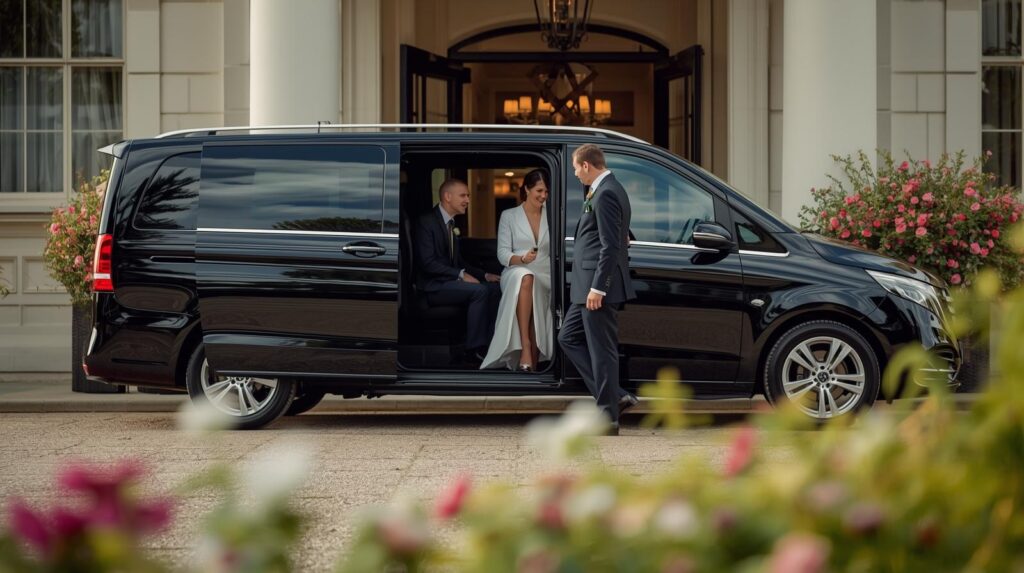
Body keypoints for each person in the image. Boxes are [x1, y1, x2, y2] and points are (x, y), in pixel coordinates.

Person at [558, 144, 638, 436]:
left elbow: (610, 246)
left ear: (587, 166)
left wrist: (598, 288)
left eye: (576, 168)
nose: (576, 174)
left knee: (602, 353)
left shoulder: (606, 192)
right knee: (567, 338)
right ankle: (616, 396)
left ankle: (608, 418)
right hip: (585, 286)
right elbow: (616, 234)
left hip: (595, 288)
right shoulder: (605, 190)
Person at [414, 178, 500, 365]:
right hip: (432, 287)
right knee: (480, 291)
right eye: (463, 195)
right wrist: (459, 275)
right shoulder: (426, 222)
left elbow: (459, 261)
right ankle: (473, 350)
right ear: (447, 197)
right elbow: (427, 263)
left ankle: (490, 344)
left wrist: (484, 275)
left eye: (468, 195)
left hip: (447, 283)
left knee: (493, 288)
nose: (468, 200)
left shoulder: (451, 224)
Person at [480, 169, 552, 372]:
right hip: (515, 269)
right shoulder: (509, 216)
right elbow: (502, 254)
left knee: (535, 286)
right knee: (525, 276)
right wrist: (521, 259)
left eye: (546, 191)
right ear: (527, 189)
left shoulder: (553, 214)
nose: (543, 196)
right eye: (539, 190)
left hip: (545, 273)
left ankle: (532, 360)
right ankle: (526, 346)